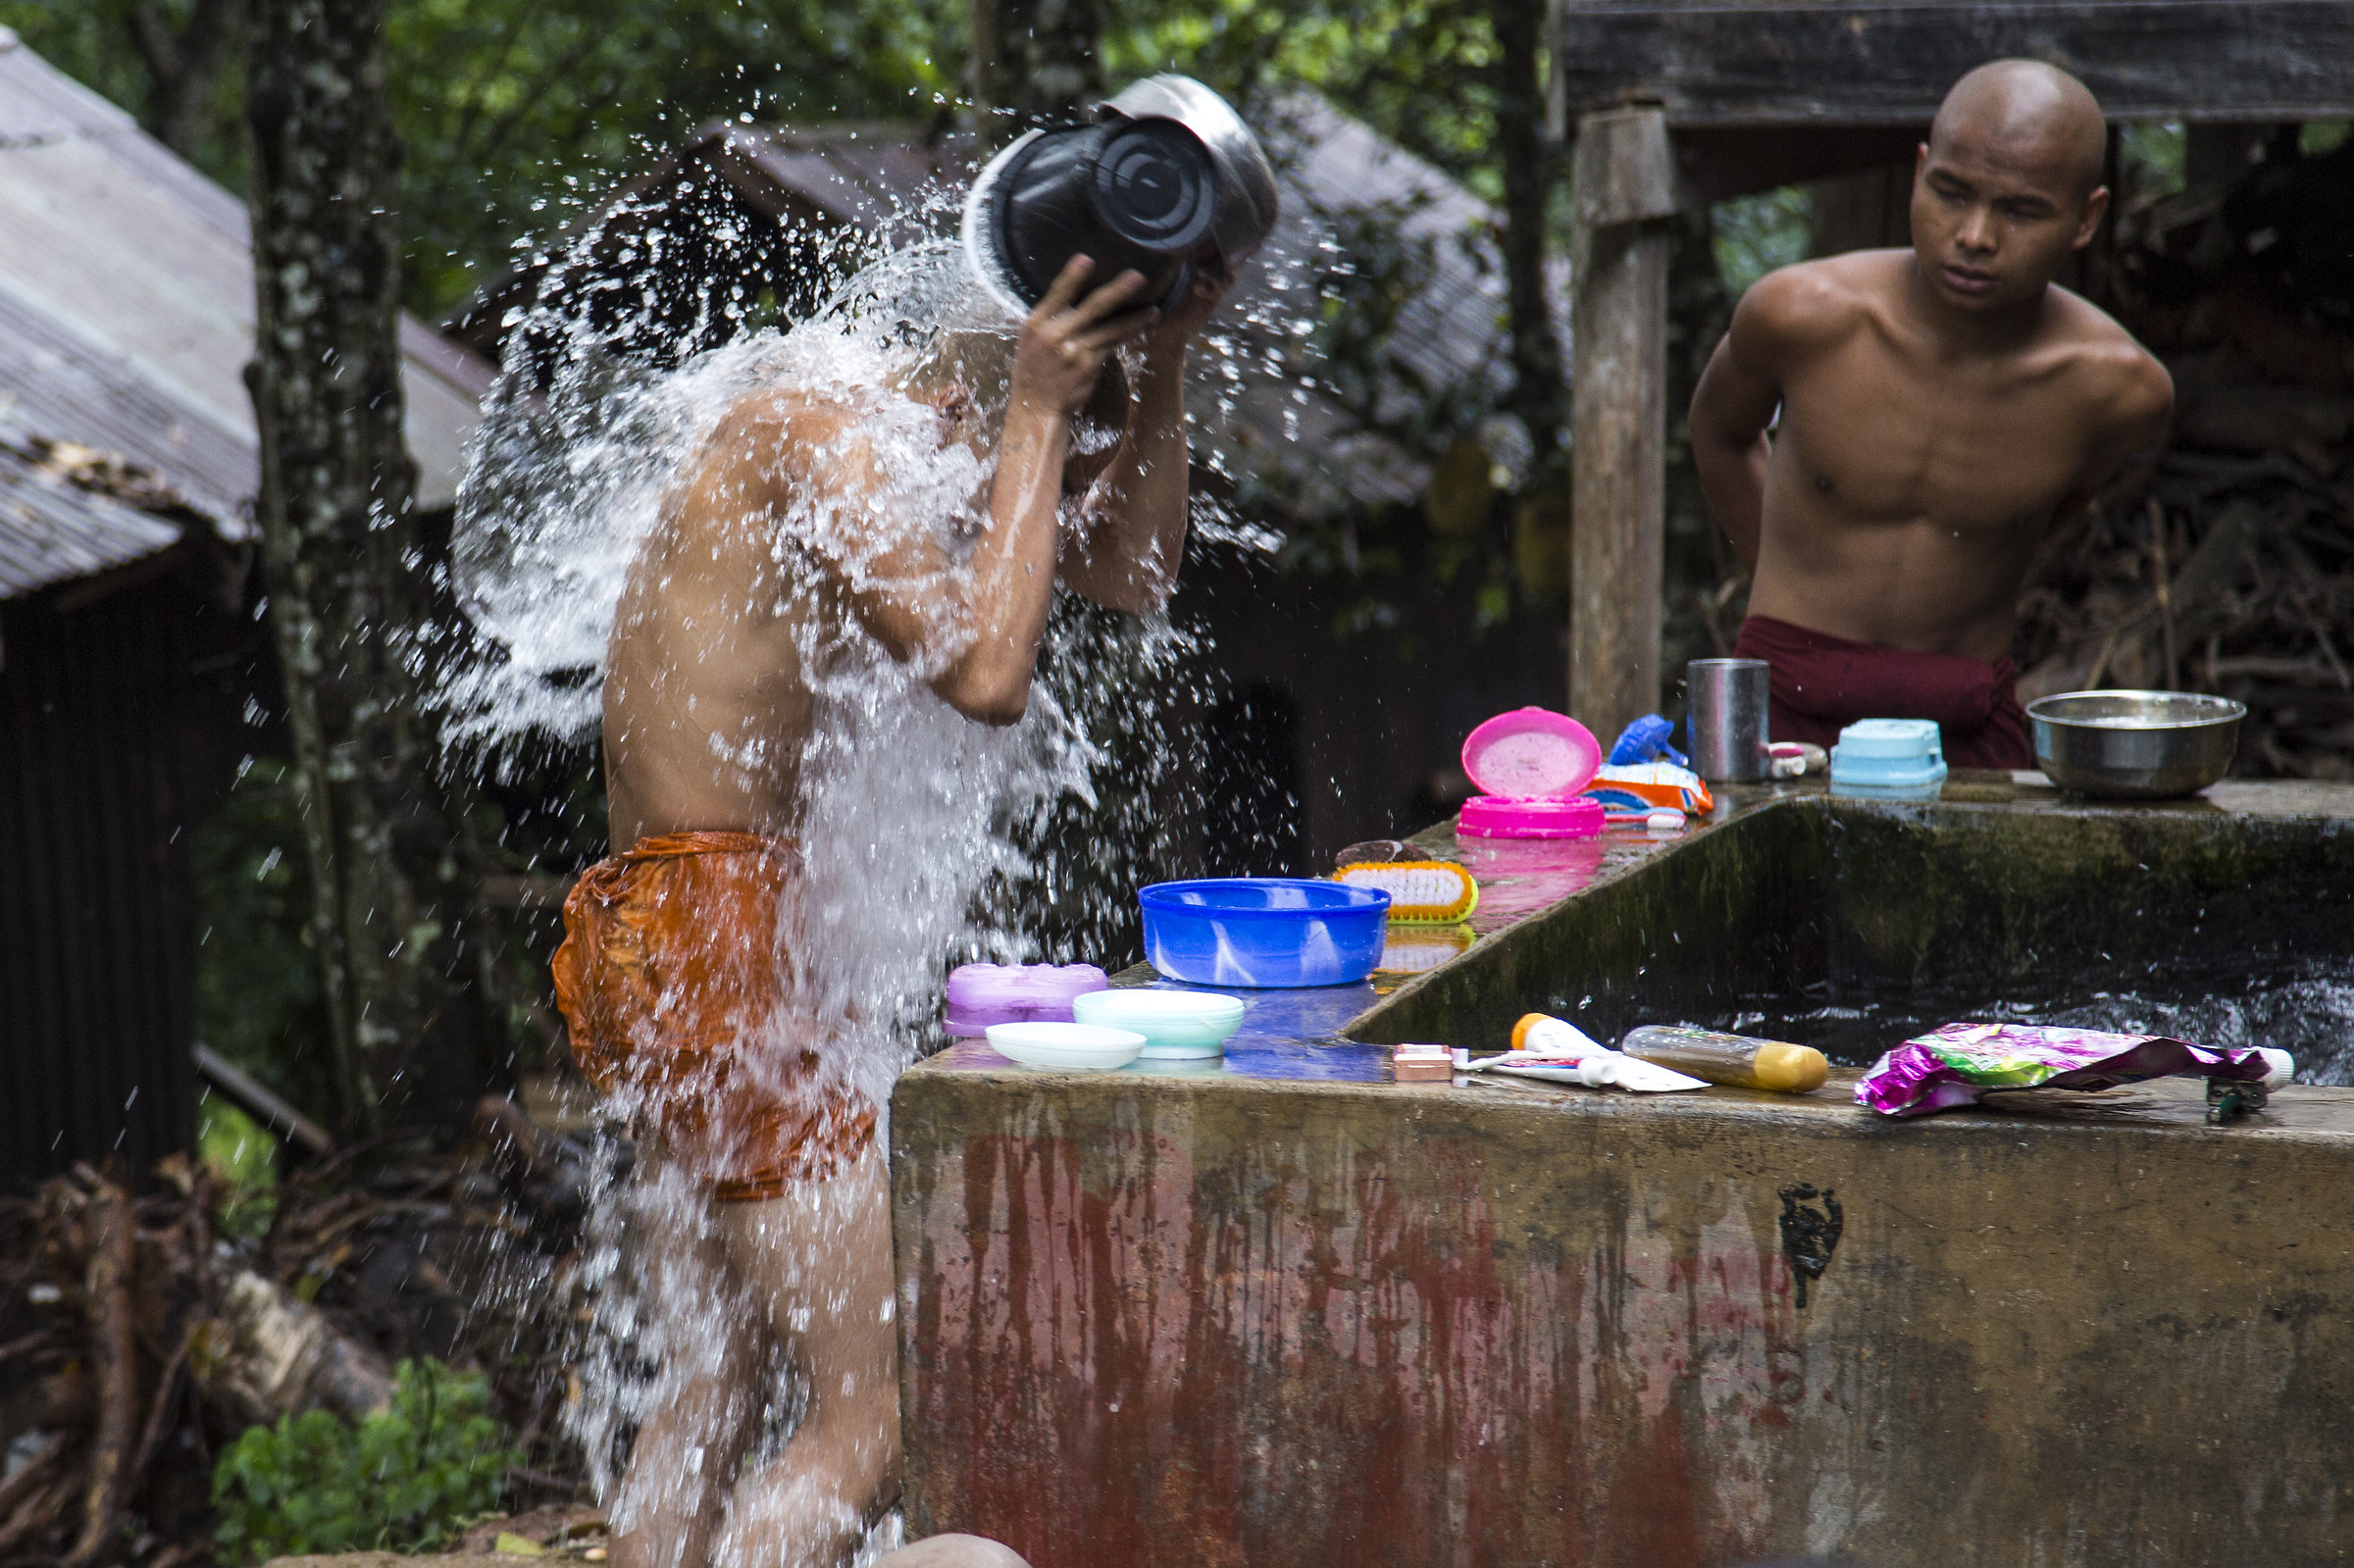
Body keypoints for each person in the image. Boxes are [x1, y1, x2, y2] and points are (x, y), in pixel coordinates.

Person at [551, 246, 1228, 1568]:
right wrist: (1040, 411)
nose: (1011, 477)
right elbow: (989, 668)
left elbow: (1132, 570)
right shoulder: (813, 432)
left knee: (713, 1391)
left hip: (673, 935)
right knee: (874, 1414)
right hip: (715, 931)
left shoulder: (900, 455)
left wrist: (1165, 372)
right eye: (1029, 415)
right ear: (973, 382)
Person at [1688, 60, 2174, 769]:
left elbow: (2058, 506)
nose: (1975, 235)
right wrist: (1783, 607)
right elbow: (1719, 433)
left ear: (2086, 218)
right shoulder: (1799, 314)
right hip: (1785, 701)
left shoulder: (2118, 392)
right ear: (1920, 173)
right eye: (1951, 193)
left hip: (1962, 718)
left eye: (2021, 210)